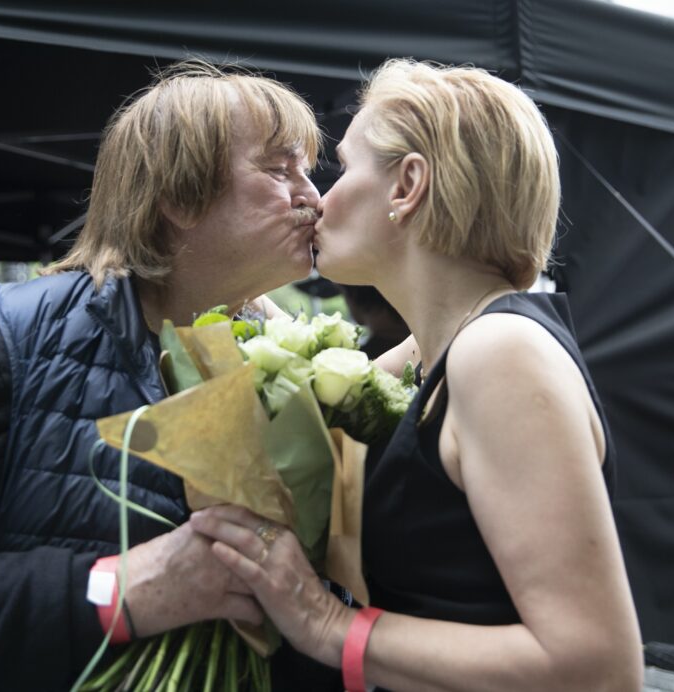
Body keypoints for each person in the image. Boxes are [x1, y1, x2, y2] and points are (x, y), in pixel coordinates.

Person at [0, 60, 337, 691]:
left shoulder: (283, 365)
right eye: (279, 169)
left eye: (306, 172)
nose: (313, 197)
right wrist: (117, 590)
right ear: (180, 197)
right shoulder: (10, 344)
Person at [191, 59, 644, 691]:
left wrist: (327, 625)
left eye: (343, 169)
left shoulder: (500, 353)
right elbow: (309, 390)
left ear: (407, 185)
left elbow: (598, 668)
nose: (320, 199)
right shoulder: (439, 351)